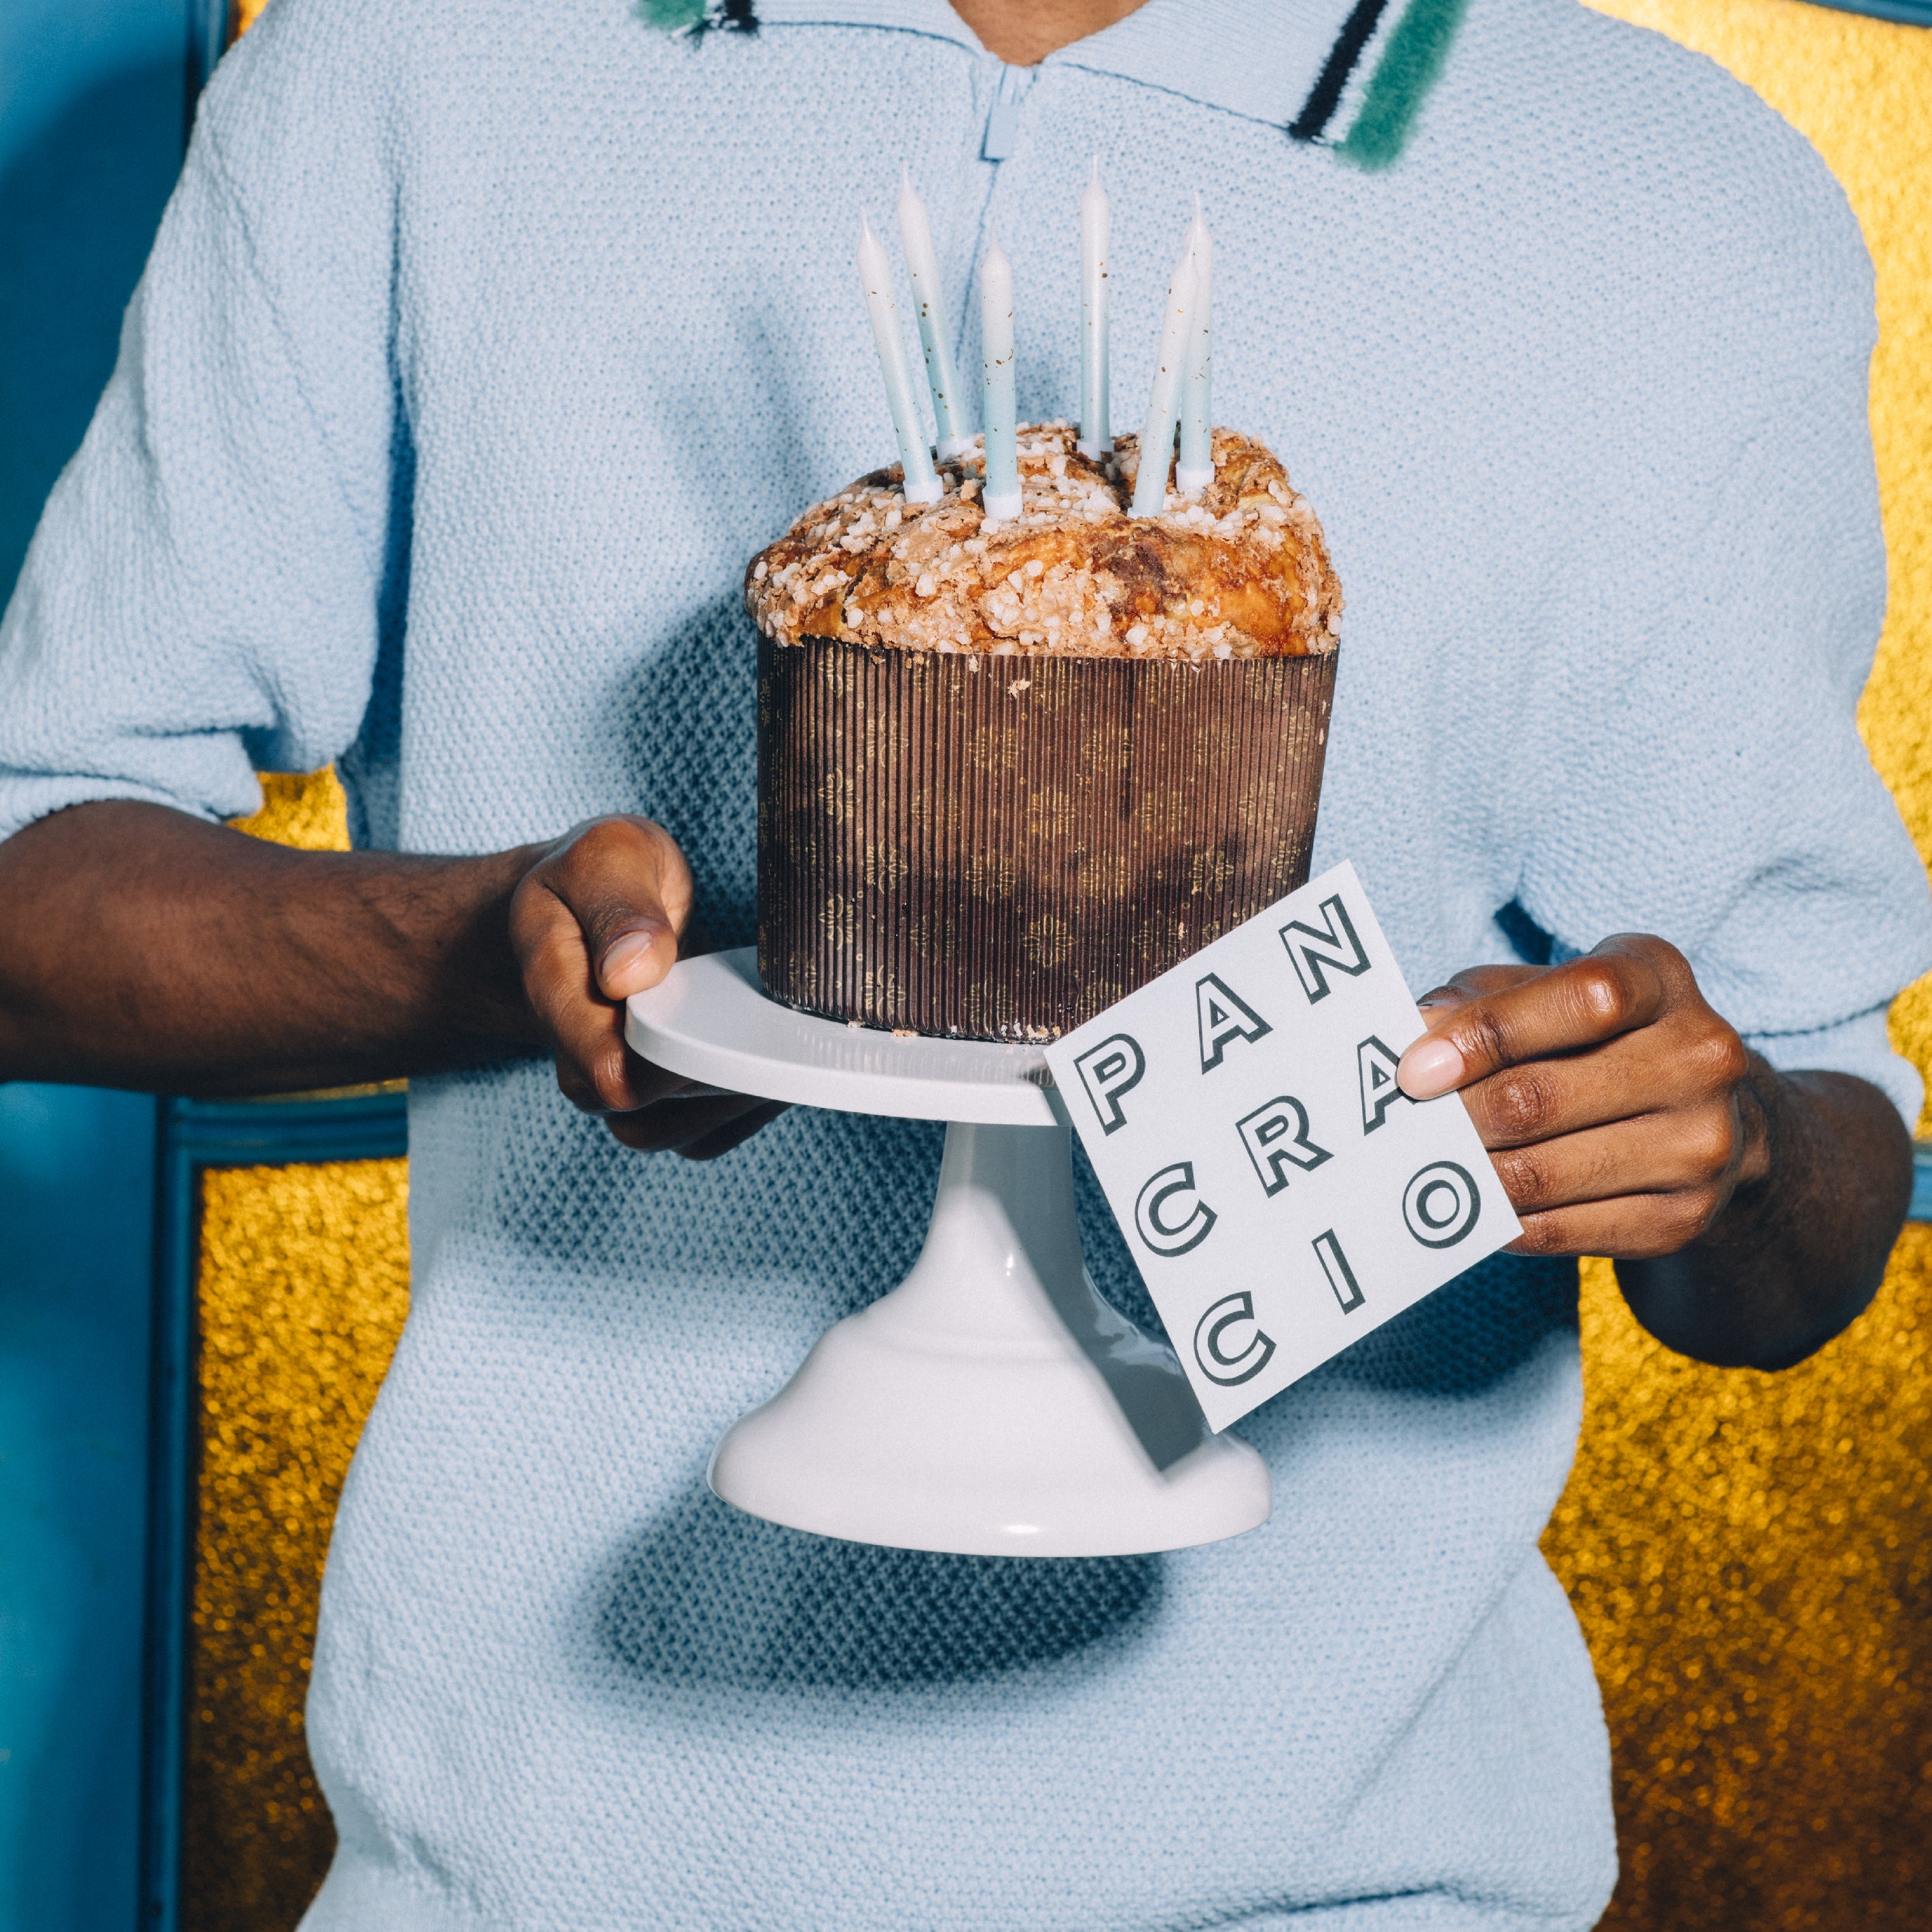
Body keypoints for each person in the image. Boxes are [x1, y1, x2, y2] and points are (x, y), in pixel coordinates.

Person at [1, 0, 1925, 1922]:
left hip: (1350, 1879)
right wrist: (502, 949)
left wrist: (1722, 1147)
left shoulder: (1679, 205)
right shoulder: (412, 56)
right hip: (534, 1874)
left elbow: (1815, 1170)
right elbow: (35, 889)